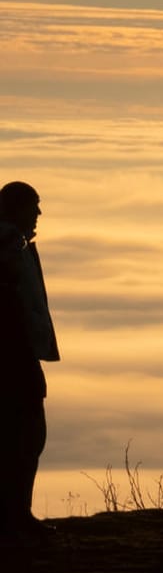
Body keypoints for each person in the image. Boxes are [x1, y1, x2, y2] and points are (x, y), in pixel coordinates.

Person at [0, 181, 57, 546]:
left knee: (24, 436)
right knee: (25, 436)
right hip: (13, 355)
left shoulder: (14, 245)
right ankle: (14, 518)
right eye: (33, 206)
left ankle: (17, 516)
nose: (39, 213)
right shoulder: (8, 247)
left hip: (17, 352)